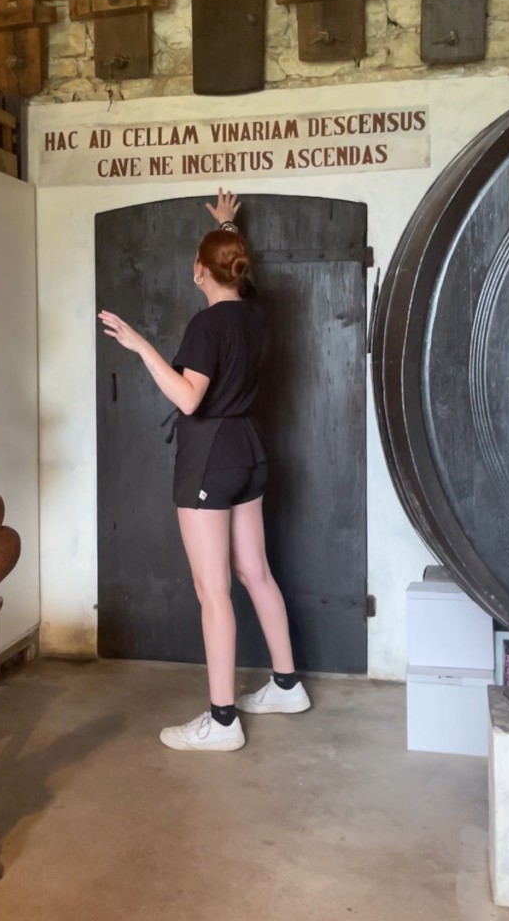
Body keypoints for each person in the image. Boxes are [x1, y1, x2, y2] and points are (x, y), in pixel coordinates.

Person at [99, 188, 310, 752]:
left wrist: (142, 347)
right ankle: (287, 684)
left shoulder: (206, 326)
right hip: (248, 447)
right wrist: (229, 227)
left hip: (210, 455)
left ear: (198, 271)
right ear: (237, 267)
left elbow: (189, 400)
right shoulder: (255, 314)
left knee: (211, 590)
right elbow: (244, 276)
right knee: (256, 572)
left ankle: (221, 722)